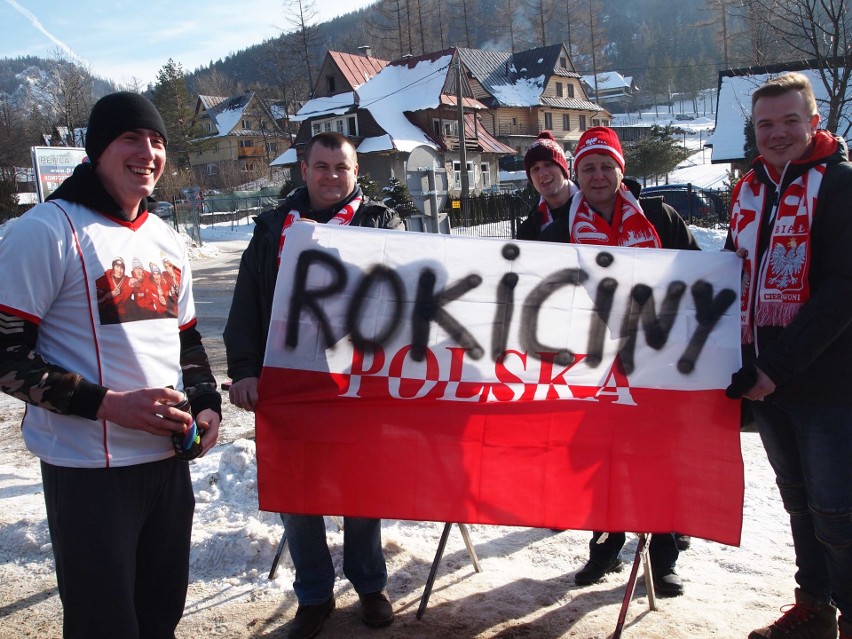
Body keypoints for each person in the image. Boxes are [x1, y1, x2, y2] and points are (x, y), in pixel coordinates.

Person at [0, 91, 222, 639]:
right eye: (131, 138)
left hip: (167, 463)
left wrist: (208, 403)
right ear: (97, 150)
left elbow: (187, 338)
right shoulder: (46, 230)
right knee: (105, 626)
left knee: (159, 616)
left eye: (158, 141)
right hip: (89, 473)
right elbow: (4, 354)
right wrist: (110, 406)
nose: (147, 151)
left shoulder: (167, 239)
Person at [224, 131, 403, 639]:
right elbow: (247, 302)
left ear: (355, 172)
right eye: (320, 166)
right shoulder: (273, 228)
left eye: (340, 167)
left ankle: (370, 586)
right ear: (304, 170)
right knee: (297, 492)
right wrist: (243, 370)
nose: (331, 176)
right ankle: (315, 595)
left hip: (360, 383)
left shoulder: (380, 222)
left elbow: (406, 301)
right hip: (289, 381)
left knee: (362, 489)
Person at [531, 126, 699, 597]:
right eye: (588, 167)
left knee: (659, 461)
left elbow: (697, 281)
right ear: (577, 175)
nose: (598, 175)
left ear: (621, 171)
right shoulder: (557, 231)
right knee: (600, 464)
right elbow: (541, 300)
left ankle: (662, 559)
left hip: (659, 362)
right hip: (591, 368)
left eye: (607, 166)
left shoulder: (660, 218)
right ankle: (604, 550)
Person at [725, 72, 852, 639]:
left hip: (827, 386)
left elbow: (843, 290)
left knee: (839, 514)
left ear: (814, 122)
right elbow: (728, 279)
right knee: (799, 505)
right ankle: (815, 608)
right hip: (764, 382)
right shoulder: (750, 189)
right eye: (765, 124)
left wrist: (777, 368)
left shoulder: (842, 185)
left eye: (789, 121)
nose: (777, 134)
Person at [517, 131, 578, 241]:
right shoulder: (528, 230)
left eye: (548, 164)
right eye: (535, 169)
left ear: (563, 169)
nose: (542, 174)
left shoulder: (594, 202)